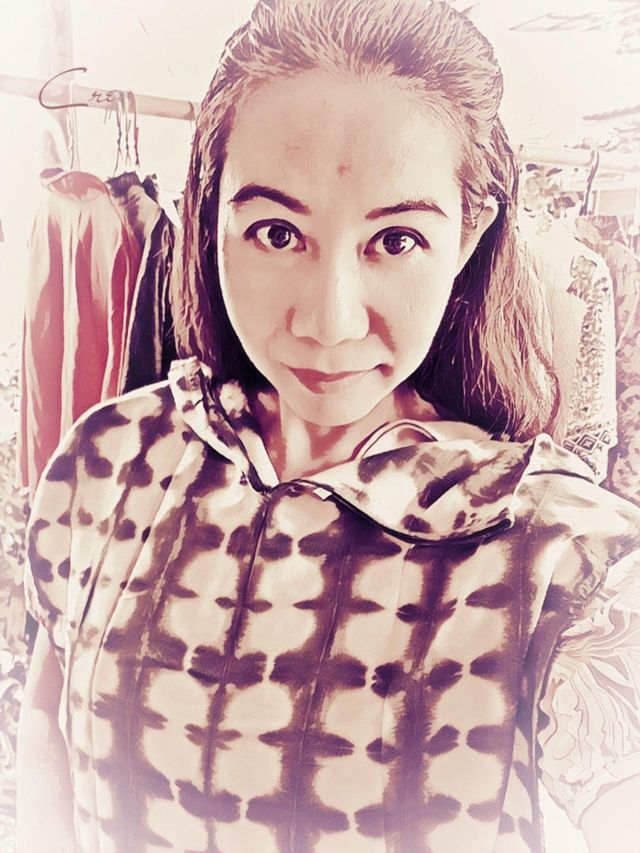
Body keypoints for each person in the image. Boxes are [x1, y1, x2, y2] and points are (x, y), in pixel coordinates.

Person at [17, 1, 640, 851]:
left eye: (396, 241)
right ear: (209, 216)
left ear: (467, 240)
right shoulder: (109, 457)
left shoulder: (560, 560)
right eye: (277, 233)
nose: (329, 321)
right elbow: (49, 742)